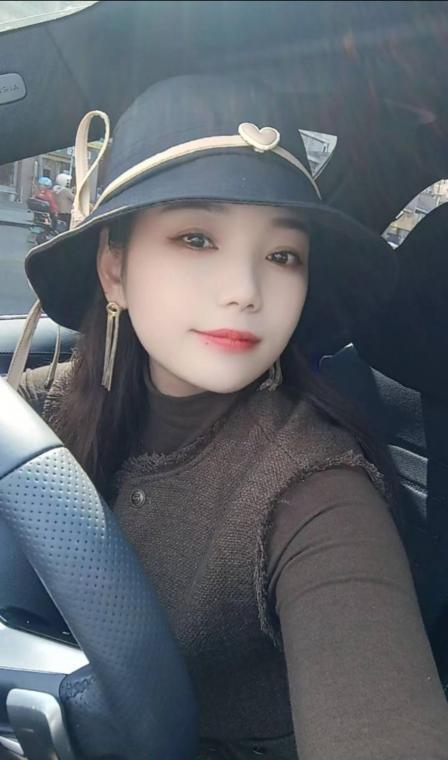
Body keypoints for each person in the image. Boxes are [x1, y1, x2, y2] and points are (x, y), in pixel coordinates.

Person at [16, 75, 448, 760]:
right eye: (196, 238)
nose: (246, 290)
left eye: (282, 255)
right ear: (114, 269)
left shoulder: (316, 491)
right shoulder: (42, 409)